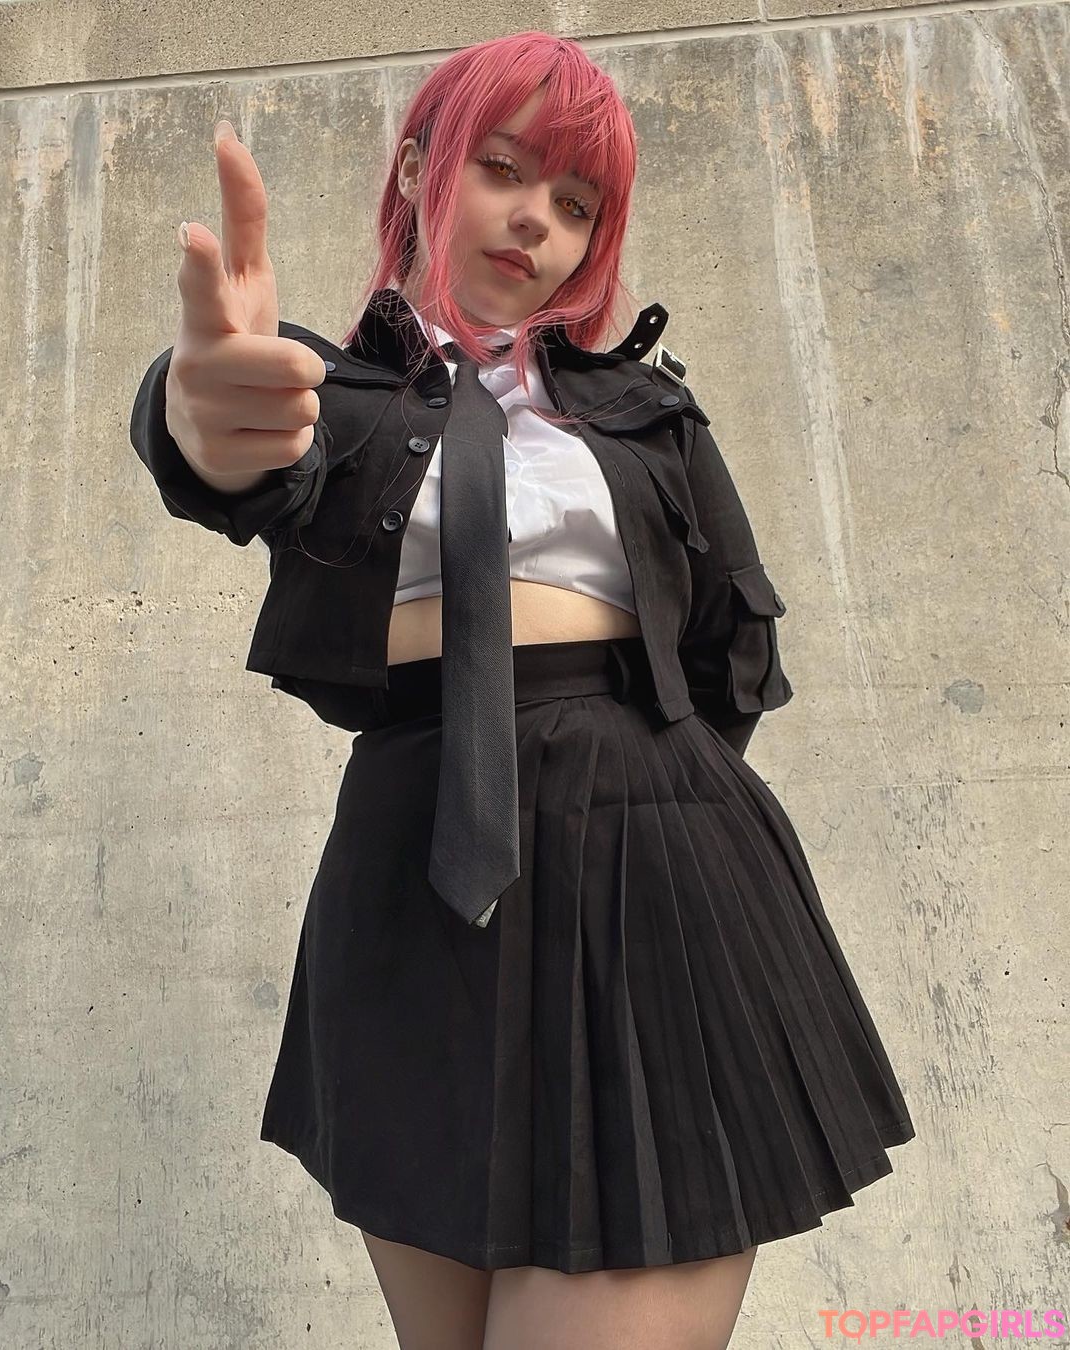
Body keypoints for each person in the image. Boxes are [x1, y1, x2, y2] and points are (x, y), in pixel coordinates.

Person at [130, 29, 915, 1350]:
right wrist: (196, 410)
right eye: (503, 168)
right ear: (420, 168)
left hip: (652, 876)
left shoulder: (646, 411)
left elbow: (730, 651)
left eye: (577, 201)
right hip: (414, 881)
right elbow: (242, 453)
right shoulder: (337, 397)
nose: (538, 218)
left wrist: (639, 792)